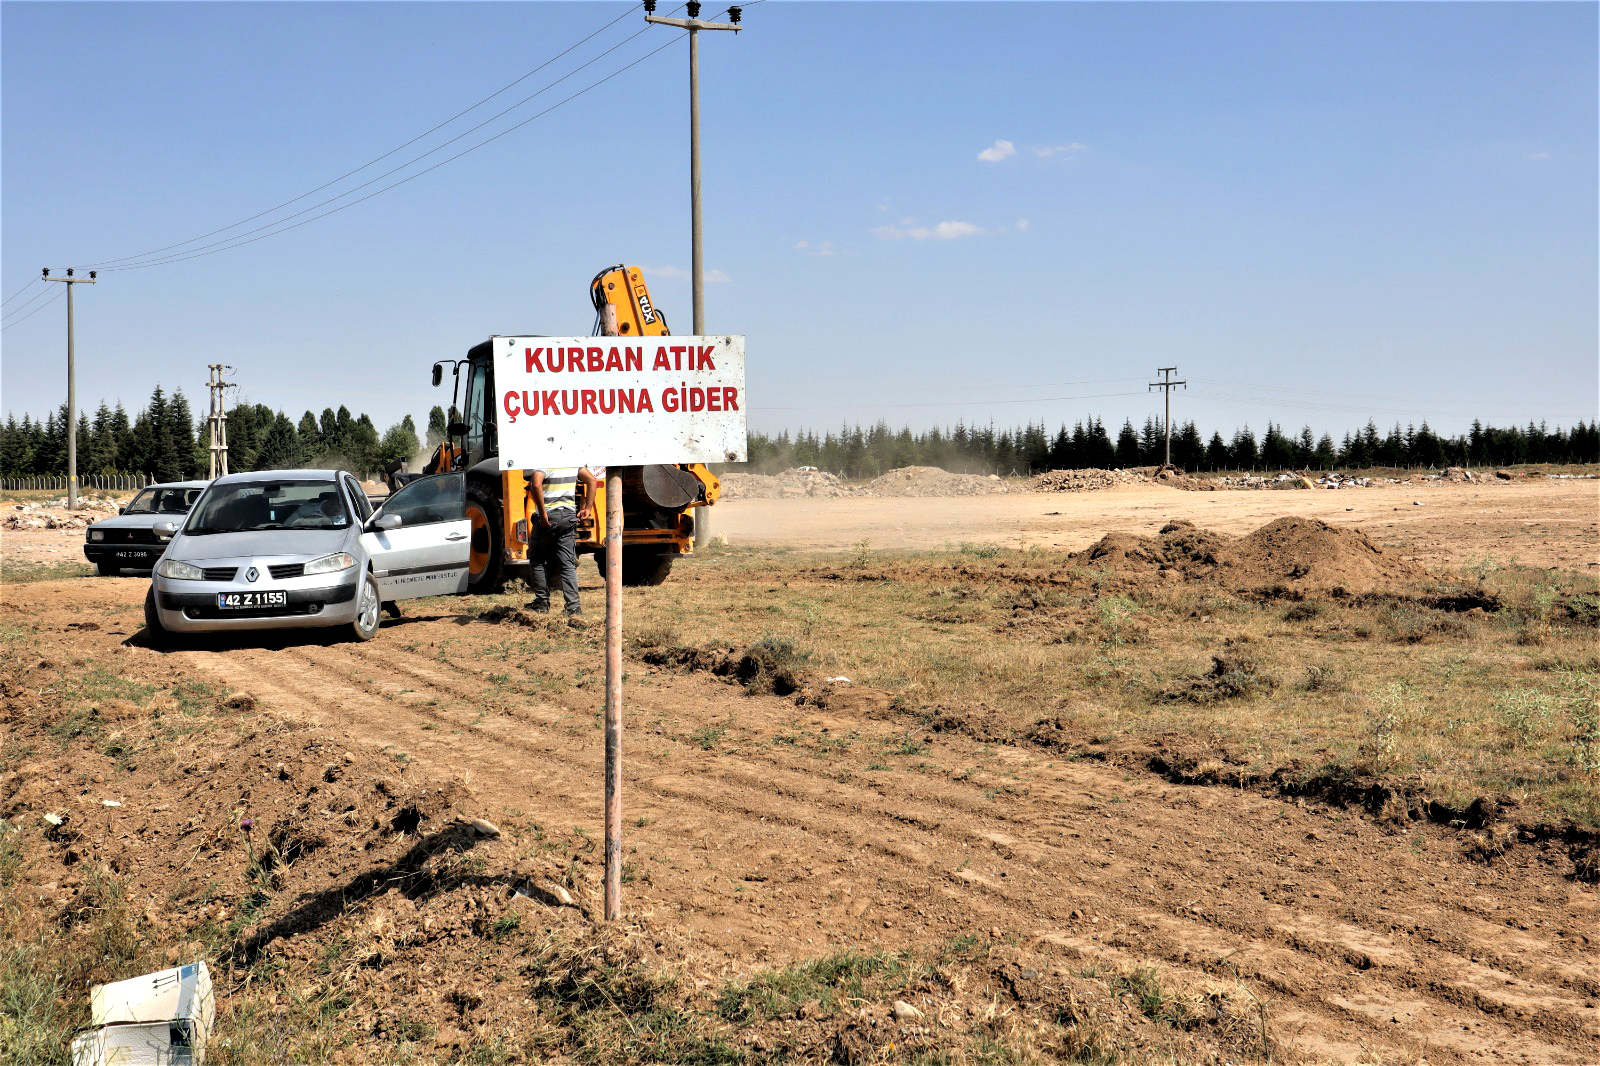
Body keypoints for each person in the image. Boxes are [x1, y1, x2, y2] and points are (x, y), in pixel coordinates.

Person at [525, 464, 597, 618]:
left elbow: (536, 484)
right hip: (568, 517)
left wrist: (543, 513)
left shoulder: (543, 460)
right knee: (567, 564)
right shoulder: (571, 460)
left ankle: (541, 603)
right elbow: (592, 480)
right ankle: (573, 607)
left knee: (537, 559)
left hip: (549, 517)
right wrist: (588, 508)